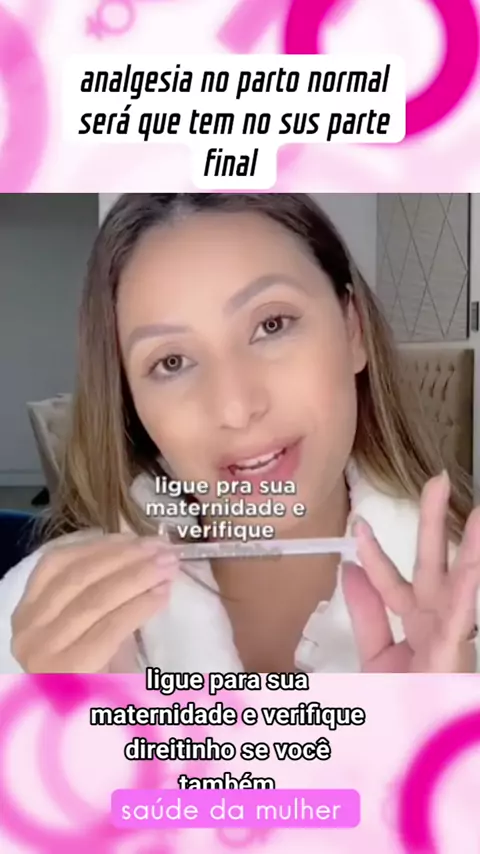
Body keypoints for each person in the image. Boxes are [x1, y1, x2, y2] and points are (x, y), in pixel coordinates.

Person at [1, 192, 479, 674]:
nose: (235, 408)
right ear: (131, 403)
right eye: (172, 362)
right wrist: (64, 709)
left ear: (352, 328)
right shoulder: (31, 626)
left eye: (272, 324)